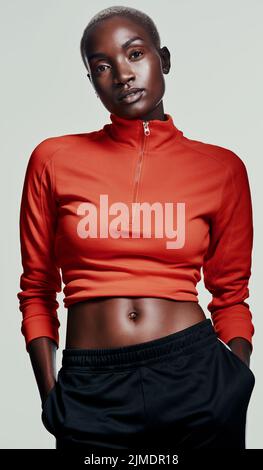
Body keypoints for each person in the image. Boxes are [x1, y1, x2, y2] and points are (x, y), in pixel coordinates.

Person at [17, 6, 255, 451]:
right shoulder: (53, 160)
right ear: (91, 80)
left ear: (163, 59)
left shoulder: (220, 169)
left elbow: (231, 293)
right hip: (92, 385)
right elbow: (36, 288)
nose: (122, 75)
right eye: (102, 66)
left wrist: (235, 386)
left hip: (195, 379)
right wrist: (53, 398)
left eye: (135, 54)